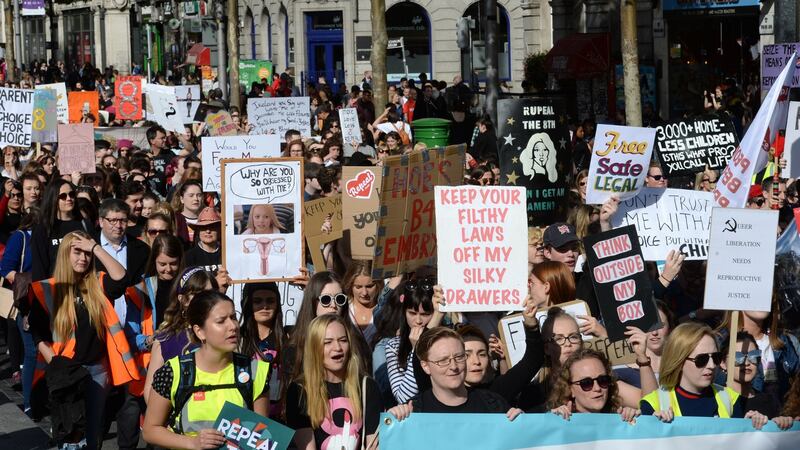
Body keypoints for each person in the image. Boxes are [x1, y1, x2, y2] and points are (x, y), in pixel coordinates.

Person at [29, 231, 139, 449]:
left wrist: (96, 248)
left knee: (94, 432)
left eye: (86, 253)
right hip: (66, 373)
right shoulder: (48, 288)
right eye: (76, 252)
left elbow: (122, 278)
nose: (83, 258)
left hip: (97, 370)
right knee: (69, 433)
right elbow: (37, 333)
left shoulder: (98, 284)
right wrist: (56, 363)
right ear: (64, 255)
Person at [143, 290, 271, 447]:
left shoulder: (255, 371)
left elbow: (262, 439)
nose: (233, 326)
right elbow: (150, 430)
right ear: (199, 331)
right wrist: (193, 443)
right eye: (221, 321)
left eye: (233, 318)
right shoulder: (173, 371)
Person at [640, 322, 768, 428]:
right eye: (702, 359)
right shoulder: (652, 403)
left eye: (716, 358)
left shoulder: (731, 399)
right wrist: (642, 422)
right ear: (678, 362)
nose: (711, 365)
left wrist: (751, 427)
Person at [285, 314, 381, 450]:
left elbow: (373, 445)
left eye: (343, 340)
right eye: (327, 342)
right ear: (314, 347)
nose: (337, 347)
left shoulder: (367, 386)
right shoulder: (299, 390)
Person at [388, 327, 523, 419]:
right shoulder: (413, 411)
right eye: (443, 360)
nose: (453, 366)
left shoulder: (494, 405)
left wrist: (523, 426)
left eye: (459, 357)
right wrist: (392, 423)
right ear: (425, 366)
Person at [142, 267, 219, 404]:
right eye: (199, 294)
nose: (207, 300)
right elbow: (150, 391)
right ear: (183, 300)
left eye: (211, 294)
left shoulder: (223, 333)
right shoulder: (165, 339)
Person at [385, 280, 442, 404]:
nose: (418, 320)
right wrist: (417, 348)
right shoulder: (394, 346)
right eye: (412, 313)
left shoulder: (450, 341)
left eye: (425, 314)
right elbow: (403, 397)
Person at [548, 348, 640, 422]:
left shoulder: (619, 418)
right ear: (569, 389)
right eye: (586, 383)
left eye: (602, 380)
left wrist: (634, 421)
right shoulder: (556, 420)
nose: (597, 388)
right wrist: (553, 422)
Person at [31, 179, 90, 281]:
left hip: (83, 286)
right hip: (56, 288)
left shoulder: (85, 224)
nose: (69, 199)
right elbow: (39, 268)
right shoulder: (43, 228)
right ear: (53, 199)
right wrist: (44, 294)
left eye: (71, 194)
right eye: (63, 196)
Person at [240, 282, 284, 416]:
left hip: (283, 419)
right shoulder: (237, 339)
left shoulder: (288, 337)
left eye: (270, 301)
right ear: (248, 304)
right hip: (246, 417)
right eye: (257, 301)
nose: (264, 306)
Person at [343, 261, 383, 342]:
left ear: (378, 284)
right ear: (350, 285)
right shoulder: (343, 310)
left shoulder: (384, 310)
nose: (364, 293)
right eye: (358, 287)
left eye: (369, 286)